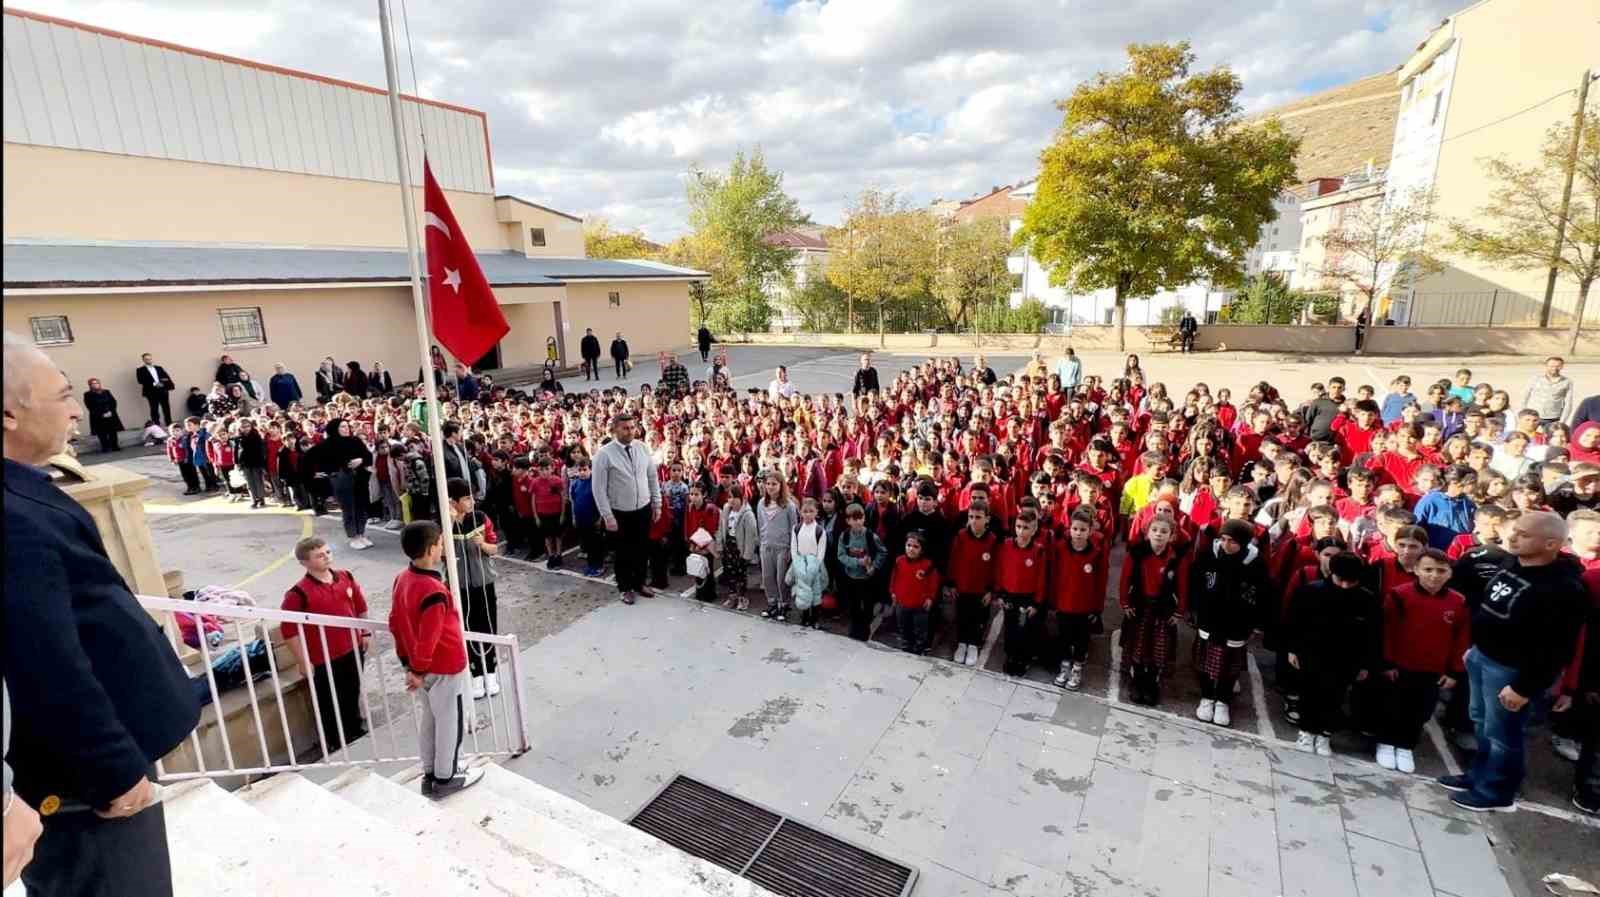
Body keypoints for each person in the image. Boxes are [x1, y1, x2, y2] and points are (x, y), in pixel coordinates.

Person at [3, 330, 200, 897]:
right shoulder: (11, 520)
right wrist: (112, 770)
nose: (74, 411)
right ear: (10, 415)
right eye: (62, 395)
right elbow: (41, 665)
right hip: (86, 788)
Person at [1438, 511, 1588, 812]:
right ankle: (1478, 775)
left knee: (1503, 734)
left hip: (1511, 671)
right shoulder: (1512, 562)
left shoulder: (1563, 589)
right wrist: (1474, 648)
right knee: (1482, 724)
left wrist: (1524, 687)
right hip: (1483, 657)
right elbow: (1491, 607)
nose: (1514, 537)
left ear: (1550, 544)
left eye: (1524, 534)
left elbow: (1556, 648)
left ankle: (1496, 792)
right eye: (1515, 531)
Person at [389, 521, 483, 799]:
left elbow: (395, 623)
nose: (443, 548)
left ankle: (431, 771)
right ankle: (447, 776)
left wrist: (410, 665)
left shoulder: (402, 579)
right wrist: (416, 668)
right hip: (444, 667)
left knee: (431, 720)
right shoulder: (433, 590)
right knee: (449, 723)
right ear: (431, 550)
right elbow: (429, 638)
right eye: (441, 544)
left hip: (422, 669)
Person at [1377, 549, 1469, 773]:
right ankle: (1387, 743)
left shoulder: (1458, 602)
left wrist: (1454, 671)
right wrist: (1387, 662)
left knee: (1420, 710)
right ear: (1416, 570)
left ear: (1450, 574)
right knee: (1393, 706)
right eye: (1428, 569)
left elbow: (1462, 639)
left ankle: (1406, 745)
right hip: (1400, 667)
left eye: (1441, 571)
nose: (1434, 575)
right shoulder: (1399, 595)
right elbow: (1387, 631)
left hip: (1432, 670)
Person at [1285, 551, 1381, 757]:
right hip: (1313, 653)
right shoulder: (1311, 592)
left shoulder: (1367, 599)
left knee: (1335, 697)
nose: (1345, 586)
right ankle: (1306, 731)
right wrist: (1293, 649)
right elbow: (1294, 622)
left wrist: (1365, 665)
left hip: (1347, 659)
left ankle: (1325, 734)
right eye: (1341, 580)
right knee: (1310, 693)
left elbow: (1372, 635)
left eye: (1351, 582)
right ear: (1331, 573)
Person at [280, 537, 370, 752]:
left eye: (328, 552)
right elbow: (289, 630)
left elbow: (360, 605)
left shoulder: (346, 577)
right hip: (323, 658)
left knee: (352, 691)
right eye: (319, 555)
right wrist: (303, 660)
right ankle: (335, 739)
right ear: (305, 562)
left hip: (352, 648)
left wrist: (364, 632)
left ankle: (354, 729)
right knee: (328, 700)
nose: (327, 557)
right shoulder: (297, 594)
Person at [1190, 518, 1267, 727]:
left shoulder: (1255, 565)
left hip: (1236, 626)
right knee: (1205, 663)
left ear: (1243, 543)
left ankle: (1223, 701)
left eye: (1232, 541)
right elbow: (1196, 584)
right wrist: (1195, 611)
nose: (1226, 545)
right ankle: (1207, 697)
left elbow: (1261, 596)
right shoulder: (1209, 557)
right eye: (1223, 539)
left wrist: (1254, 623)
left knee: (1229, 667)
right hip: (1209, 621)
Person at [592, 413, 661, 605]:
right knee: (623, 553)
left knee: (641, 548)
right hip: (619, 512)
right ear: (615, 429)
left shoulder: (642, 448)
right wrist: (608, 516)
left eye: (632, 427)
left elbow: (652, 477)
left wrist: (657, 503)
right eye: (625, 428)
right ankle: (625, 587)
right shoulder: (604, 455)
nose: (630, 431)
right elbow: (598, 489)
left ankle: (639, 583)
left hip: (643, 508)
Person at [446, 477, 502, 700]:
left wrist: (484, 545)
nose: (472, 502)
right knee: (466, 628)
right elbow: (439, 553)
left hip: (484, 582)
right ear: (453, 501)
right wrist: (449, 524)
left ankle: (491, 671)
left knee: (487, 625)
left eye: (472, 497)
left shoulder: (480, 518)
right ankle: (475, 673)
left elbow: (495, 548)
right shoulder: (443, 522)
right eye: (467, 498)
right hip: (458, 586)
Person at [315, 417, 374, 549]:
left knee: (361, 506)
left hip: (359, 478)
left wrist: (361, 460)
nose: (346, 428)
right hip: (341, 479)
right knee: (348, 508)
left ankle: (361, 533)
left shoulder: (355, 440)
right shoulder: (328, 444)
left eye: (347, 426)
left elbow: (368, 456)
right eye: (342, 426)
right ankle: (353, 536)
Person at [889, 531, 941, 655]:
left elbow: (933, 583)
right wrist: (893, 592)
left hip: (920, 605)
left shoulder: (928, 565)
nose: (911, 549)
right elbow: (894, 578)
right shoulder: (899, 561)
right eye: (909, 545)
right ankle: (906, 645)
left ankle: (919, 648)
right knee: (903, 626)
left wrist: (930, 598)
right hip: (902, 602)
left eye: (916, 547)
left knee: (920, 629)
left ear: (922, 550)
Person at [1522, 356, 1574, 426]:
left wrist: (1562, 421)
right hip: (1532, 417)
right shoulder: (1535, 379)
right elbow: (1524, 397)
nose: (1554, 368)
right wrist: (1522, 415)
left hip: (1553, 419)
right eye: (1552, 366)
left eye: (1558, 366)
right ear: (1546, 366)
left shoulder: (1567, 382)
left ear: (1562, 367)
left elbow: (1568, 403)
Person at [81, 377, 124, 453]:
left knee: (112, 431)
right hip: (98, 416)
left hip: (110, 414)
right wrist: (101, 414)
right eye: (93, 383)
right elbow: (90, 406)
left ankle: (115, 446)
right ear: (90, 385)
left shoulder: (106, 391)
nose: (95, 385)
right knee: (101, 432)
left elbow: (113, 402)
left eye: (97, 383)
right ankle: (105, 447)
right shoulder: (88, 394)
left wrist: (111, 411)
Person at [134, 353, 175, 426]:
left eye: (149, 359)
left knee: (166, 408)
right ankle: (156, 425)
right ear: (143, 360)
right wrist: (154, 383)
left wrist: (163, 383)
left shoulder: (159, 368)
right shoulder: (140, 370)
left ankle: (169, 423)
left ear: (152, 359)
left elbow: (166, 377)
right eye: (146, 359)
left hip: (162, 390)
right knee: (154, 409)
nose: (148, 360)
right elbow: (140, 380)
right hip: (151, 392)